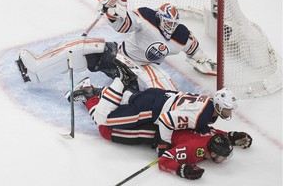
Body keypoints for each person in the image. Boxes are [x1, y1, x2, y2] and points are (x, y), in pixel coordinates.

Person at [16, 0, 217, 91]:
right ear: (159, 16)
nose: (170, 27)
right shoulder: (146, 17)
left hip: (143, 69)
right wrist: (113, 13)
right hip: (119, 57)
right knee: (85, 47)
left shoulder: (181, 35)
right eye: (167, 22)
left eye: (173, 23)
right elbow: (124, 25)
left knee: (163, 91)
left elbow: (194, 50)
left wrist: (203, 62)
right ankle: (36, 69)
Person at [65, 61, 238, 156]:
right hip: (149, 109)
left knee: (125, 101)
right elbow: (166, 121)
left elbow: (199, 125)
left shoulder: (207, 105)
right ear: (218, 105)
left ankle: (94, 90)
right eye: (227, 109)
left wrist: (229, 136)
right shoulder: (201, 115)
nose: (229, 113)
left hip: (158, 96)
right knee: (104, 121)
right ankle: (117, 82)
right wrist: (165, 144)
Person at [86, 121, 252, 180]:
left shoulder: (212, 137)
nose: (225, 159)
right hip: (155, 132)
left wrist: (233, 137)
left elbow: (219, 134)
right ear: (213, 153)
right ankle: (90, 97)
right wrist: (181, 169)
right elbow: (164, 160)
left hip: (167, 121)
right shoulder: (193, 149)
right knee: (106, 131)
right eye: (223, 156)